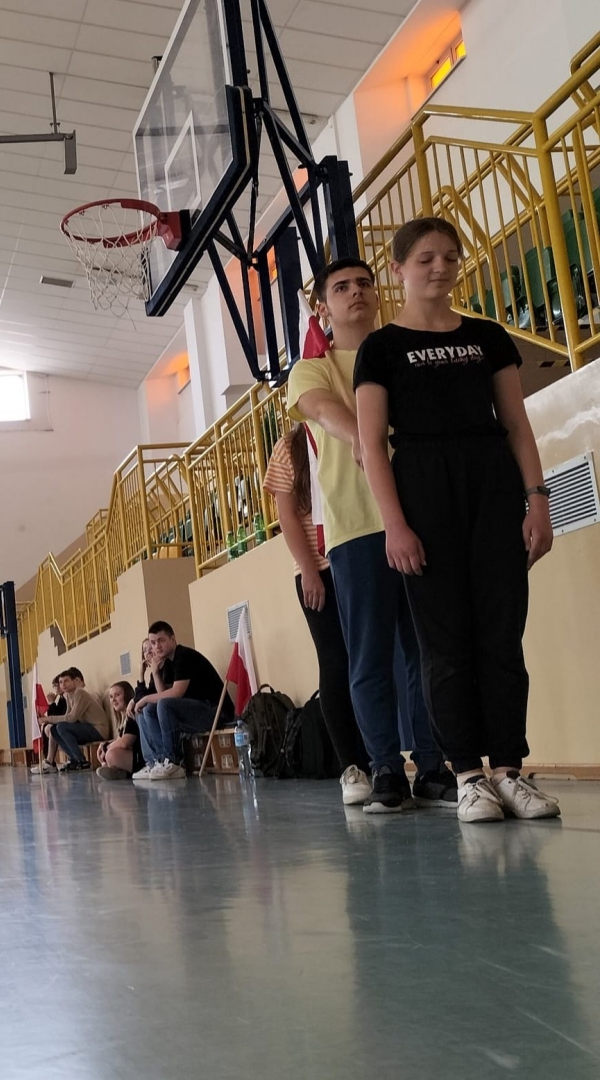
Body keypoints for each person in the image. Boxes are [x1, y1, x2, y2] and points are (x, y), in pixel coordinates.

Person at [355, 216, 560, 824]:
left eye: (450, 256)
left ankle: (509, 771)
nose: (439, 267)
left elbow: (517, 424)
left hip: (492, 485)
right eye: (425, 259)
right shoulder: (380, 349)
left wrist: (537, 499)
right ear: (398, 269)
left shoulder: (487, 336)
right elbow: (371, 444)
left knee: (502, 635)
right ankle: (468, 775)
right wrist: (395, 524)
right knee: (443, 645)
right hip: (423, 490)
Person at [287, 257, 454, 814]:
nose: (355, 292)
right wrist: (364, 435)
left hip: (418, 517)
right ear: (323, 307)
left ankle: (431, 767)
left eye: (363, 283)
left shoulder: (400, 352)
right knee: (368, 656)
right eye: (341, 287)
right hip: (356, 528)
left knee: (425, 650)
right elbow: (324, 411)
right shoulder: (311, 369)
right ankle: (384, 766)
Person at [263, 423, 373, 804]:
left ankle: (380, 759)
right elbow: (288, 516)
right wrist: (309, 569)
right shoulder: (288, 447)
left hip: (356, 557)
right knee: (334, 661)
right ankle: (351, 766)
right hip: (319, 568)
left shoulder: (347, 427)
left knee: (368, 661)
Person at [130, 621, 230, 780]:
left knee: (160, 704)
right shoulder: (168, 662)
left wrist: (145, 698)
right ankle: (160, 761)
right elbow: (163, 695)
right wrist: (155, 673)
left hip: (215, 712)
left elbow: (176, 693)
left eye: (161, 640)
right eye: (153, 643)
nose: (157, 647)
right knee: (149, 709)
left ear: (173, 639)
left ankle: (174, 762)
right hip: (195, 712)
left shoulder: (183, 656)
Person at [33, 668, 110, 773]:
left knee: (61, 727)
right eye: (61, 682)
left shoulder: (80, 693)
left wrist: (48, 718)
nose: (63, 684)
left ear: (74, 681)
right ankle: (74, 759)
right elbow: (67, 716)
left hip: (98, 729)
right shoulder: (69, 695)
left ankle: (82, 762)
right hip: (87, 728)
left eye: (66, 681)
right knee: (54, 729)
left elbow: (71, 718)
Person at [97, 681, 143, 781]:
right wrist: (104, 744)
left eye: (117, 695)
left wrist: (107, 747)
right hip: (132, 755)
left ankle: (122, 771)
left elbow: (125, 742)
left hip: (140, 758)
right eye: (111, 696)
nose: (113, 700)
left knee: (111, 754)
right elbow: (119, 739)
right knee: (107, 750)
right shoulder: (123, 719)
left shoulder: (132, 715)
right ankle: (120, 772)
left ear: (127, 695)